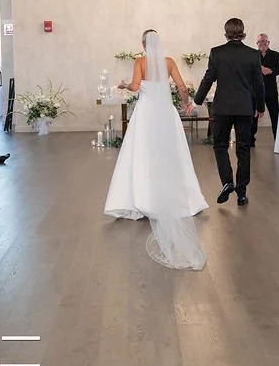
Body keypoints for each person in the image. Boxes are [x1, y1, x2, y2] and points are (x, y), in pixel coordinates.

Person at [104, 30, 206, 270]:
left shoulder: (140, 62)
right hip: (166, 113)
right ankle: (182, 198)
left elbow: (136, 86)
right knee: (173, 155)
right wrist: (186, 104)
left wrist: (124, 84)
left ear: (142, 44)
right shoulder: (169, 62)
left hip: (146, 112)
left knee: (142, 155)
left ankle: (142, 198)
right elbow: (182, 87)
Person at [194, 18, 265, 206]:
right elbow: (258, 83)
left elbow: (209, 78)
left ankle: (227, 182)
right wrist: (260, 107)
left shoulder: (217, 53)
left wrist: (197, 100)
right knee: (243, 148)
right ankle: (242, 193)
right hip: (244, 107)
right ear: (242, 31)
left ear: (226, 32)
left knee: (220, 145)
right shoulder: (252, 54)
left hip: (222, 107)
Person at [253, 33, 279, 144]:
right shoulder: (253, 55)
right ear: (257, 43)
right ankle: (251, 140)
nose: (262, 43)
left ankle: (278, 139)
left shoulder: (276, 55)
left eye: (265, 41)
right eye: (260, 41)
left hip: (270, 90)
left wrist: (269, 70)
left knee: (275, 116)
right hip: (256, 91)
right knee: (253, 117)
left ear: (268, 43)